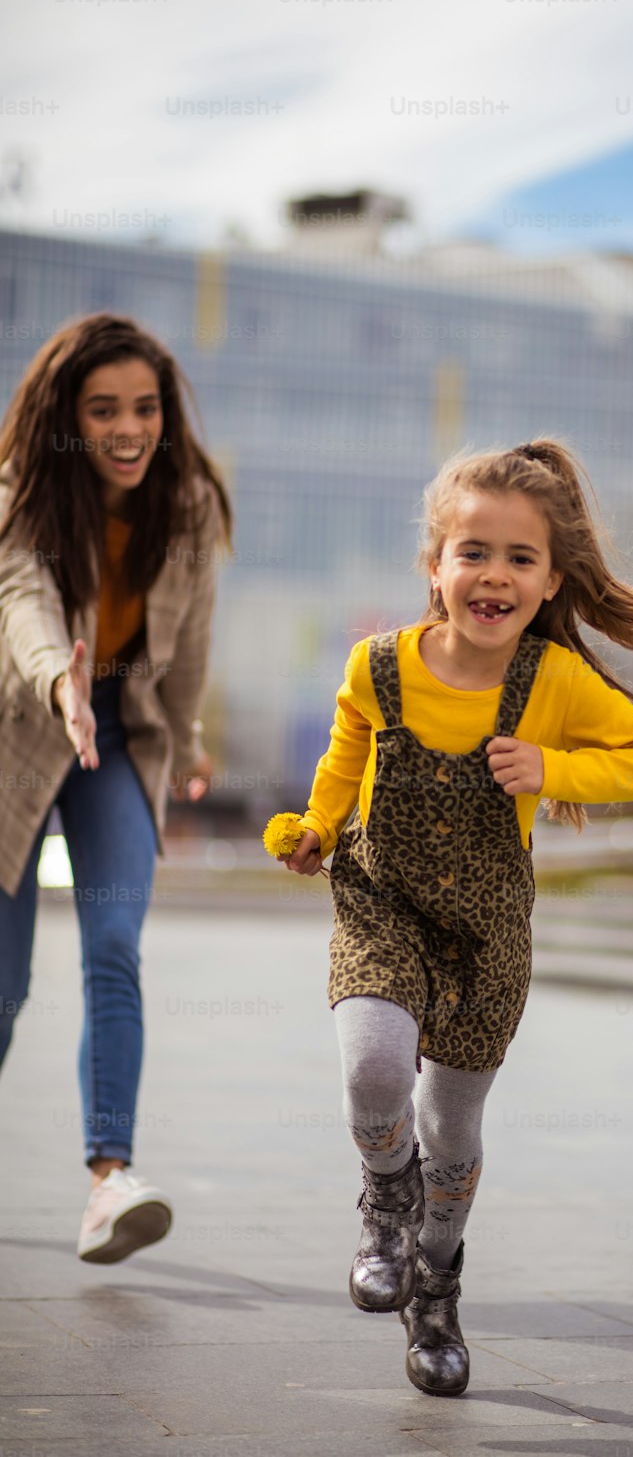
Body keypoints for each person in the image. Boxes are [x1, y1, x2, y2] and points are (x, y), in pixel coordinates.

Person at [280, 438, 633, 1396]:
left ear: (551, 579)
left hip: (488, 933)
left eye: (521, 558)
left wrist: (555, 770)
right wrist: (315, 826)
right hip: (381, 905)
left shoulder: (553, 682)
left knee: (454, 1124)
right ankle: (384, 1201)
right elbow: (347, 755)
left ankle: (436, 1289)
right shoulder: (378, 666)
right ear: (435, 567)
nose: (495, 574)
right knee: (377, 1067)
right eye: (472, 551)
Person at [0, 312, 231, 1264]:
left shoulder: (187, 510)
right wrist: (61, 680)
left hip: (119, 748)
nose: (128, 428)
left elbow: (188, 648)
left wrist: (185, 748)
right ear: (69, 416)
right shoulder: (22, 492)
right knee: (4, 986)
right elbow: (22, 603)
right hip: (19, 739)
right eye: (104, 410)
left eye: (144, 407)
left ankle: (109, 1183)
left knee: (112, 949)